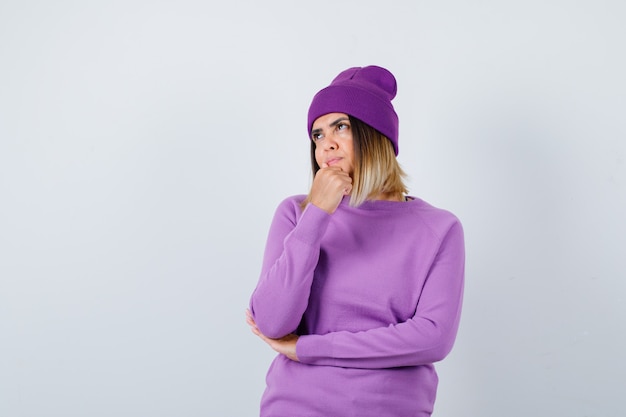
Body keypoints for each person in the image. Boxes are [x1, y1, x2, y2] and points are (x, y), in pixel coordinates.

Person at [246, 65, 465, 417]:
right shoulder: (296, 214)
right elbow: (272, 322)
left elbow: (432, 338)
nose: (326, 143)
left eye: (341, 127)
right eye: (317, 135)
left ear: (376, 134)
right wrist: (317, 215)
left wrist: (309, 348)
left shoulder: (439, 229)